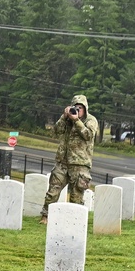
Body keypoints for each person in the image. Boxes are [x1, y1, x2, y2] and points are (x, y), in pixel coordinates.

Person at [40, 95, 98, 225]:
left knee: (76, 195)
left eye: (80, 108)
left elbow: (88, 135)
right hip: (63, 161)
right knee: (53, 190)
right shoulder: (66, 120)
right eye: (75, 107)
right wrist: (64, 117)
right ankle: (45, 216)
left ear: (85, 109)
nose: (77, 110)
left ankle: (75, 220)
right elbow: (56, 131)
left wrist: (77, 120)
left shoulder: (90, 120)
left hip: (80, 164)